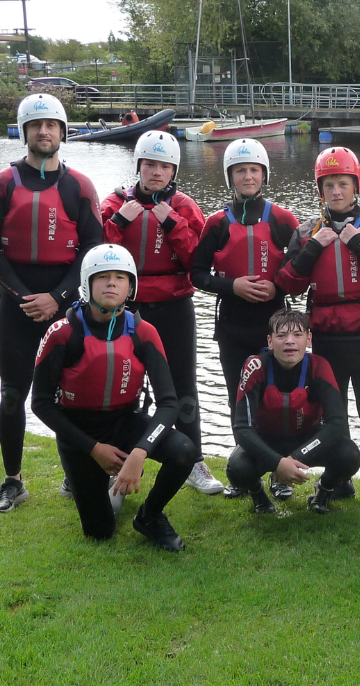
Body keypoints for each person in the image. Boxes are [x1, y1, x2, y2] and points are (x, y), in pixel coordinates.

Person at [0, 94, 103, 513]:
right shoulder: (2, 183)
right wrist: (23, 297)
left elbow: (93, 249)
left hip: (65, 303)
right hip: (15, 303)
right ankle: (13, 480)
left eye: (51, 125)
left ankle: (74, 471)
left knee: (73, 393)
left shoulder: (79, 186)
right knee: (13, 394)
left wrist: (58, 298)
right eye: (35, 125)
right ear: (24, 131)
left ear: (62, 132)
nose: (43, 132)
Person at [31, 245, 199, 551]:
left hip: (124, 423)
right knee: (99, 533)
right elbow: (41, 403)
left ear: (130, 285)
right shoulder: (62, 333)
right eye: (103, 277)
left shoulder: (144, 332)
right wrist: (94, 449)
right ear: (87, 283)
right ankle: (106, 487)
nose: (112, 283)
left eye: (120, 277)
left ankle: (149, 515)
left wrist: (140, 452)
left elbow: (169, 403)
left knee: (183, 450)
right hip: (79, 434)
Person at [276, 147, 360, 506]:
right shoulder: (306, 232)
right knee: (335, 416)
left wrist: (358, 243)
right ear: (320, 190)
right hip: (326, 341)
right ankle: (342, 479)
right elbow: (287, 283)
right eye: (329, 185)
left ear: (355, 186)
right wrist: (315, 248)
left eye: (343, 184)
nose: (336, 191)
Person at [101, 130, 221, 496]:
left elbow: (197, 261)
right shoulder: (114, 202)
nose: (156, 172)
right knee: (122, 384)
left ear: (174, 170)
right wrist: (120, 222)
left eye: (164, 166)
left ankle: (194, 461)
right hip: (127, 308)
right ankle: (111, 461)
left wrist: (172, 224)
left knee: (183, 385)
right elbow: (98, 257)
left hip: (173, 306)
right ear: (139, 166)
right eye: (150, 164)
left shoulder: (185, 207)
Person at [191, 138, 300, 499]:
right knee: (238, 397)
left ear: (264, 175)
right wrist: (231, 285)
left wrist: (278, 285)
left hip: (274, 324)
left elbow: (301, 267)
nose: (248, 176)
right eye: (240, 171)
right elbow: (197, 274)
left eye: (254, 170)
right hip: (233, 325)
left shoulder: (283, 219)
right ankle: (246, 471)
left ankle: (280, 473)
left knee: (277, 396)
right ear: (230, 177)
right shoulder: (217, 222)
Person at [227, 308, 360, 514]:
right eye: (281, 336)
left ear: (308, 339)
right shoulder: (255, 367)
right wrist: (277, 462)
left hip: (306, 440)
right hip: (266, 441)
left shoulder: (319, 366)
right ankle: (258, 495)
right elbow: (242, 428)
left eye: (297, 335)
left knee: (350, 455)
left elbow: (337, 424)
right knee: (237, 469)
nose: (289, 341)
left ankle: (323, 492)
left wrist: (294, 458)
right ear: (270, 341)